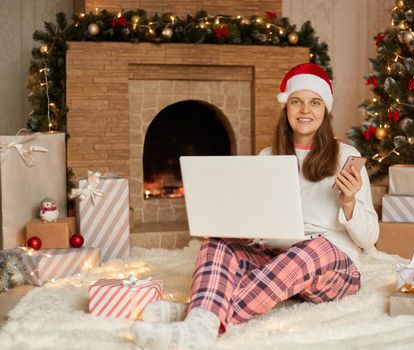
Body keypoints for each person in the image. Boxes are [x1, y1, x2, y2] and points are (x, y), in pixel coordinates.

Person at [132, 62, 379, 350]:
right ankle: (199, 324)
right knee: (218, 243)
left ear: (325, 109)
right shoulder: (268, 156)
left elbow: (370, 237)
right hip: (279, 263)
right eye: (296, 101)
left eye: (314, 102)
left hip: (335, 269)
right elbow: (262, 225)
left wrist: (349, 202)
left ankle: (199, 314)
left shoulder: (346, 156)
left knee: (314, 247)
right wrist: (243, 228)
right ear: (285, 107)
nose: (305, 111)